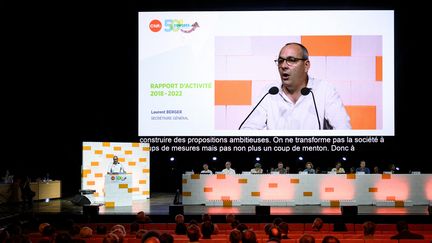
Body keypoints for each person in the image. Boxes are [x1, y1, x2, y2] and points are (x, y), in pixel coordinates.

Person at [240, 42, 351, 130]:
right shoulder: (269, 92)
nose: (283, 66)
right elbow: (248, 130)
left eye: (291, 60)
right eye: (280, 61)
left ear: (306, 65)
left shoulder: (324, 90)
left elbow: (344, 131)